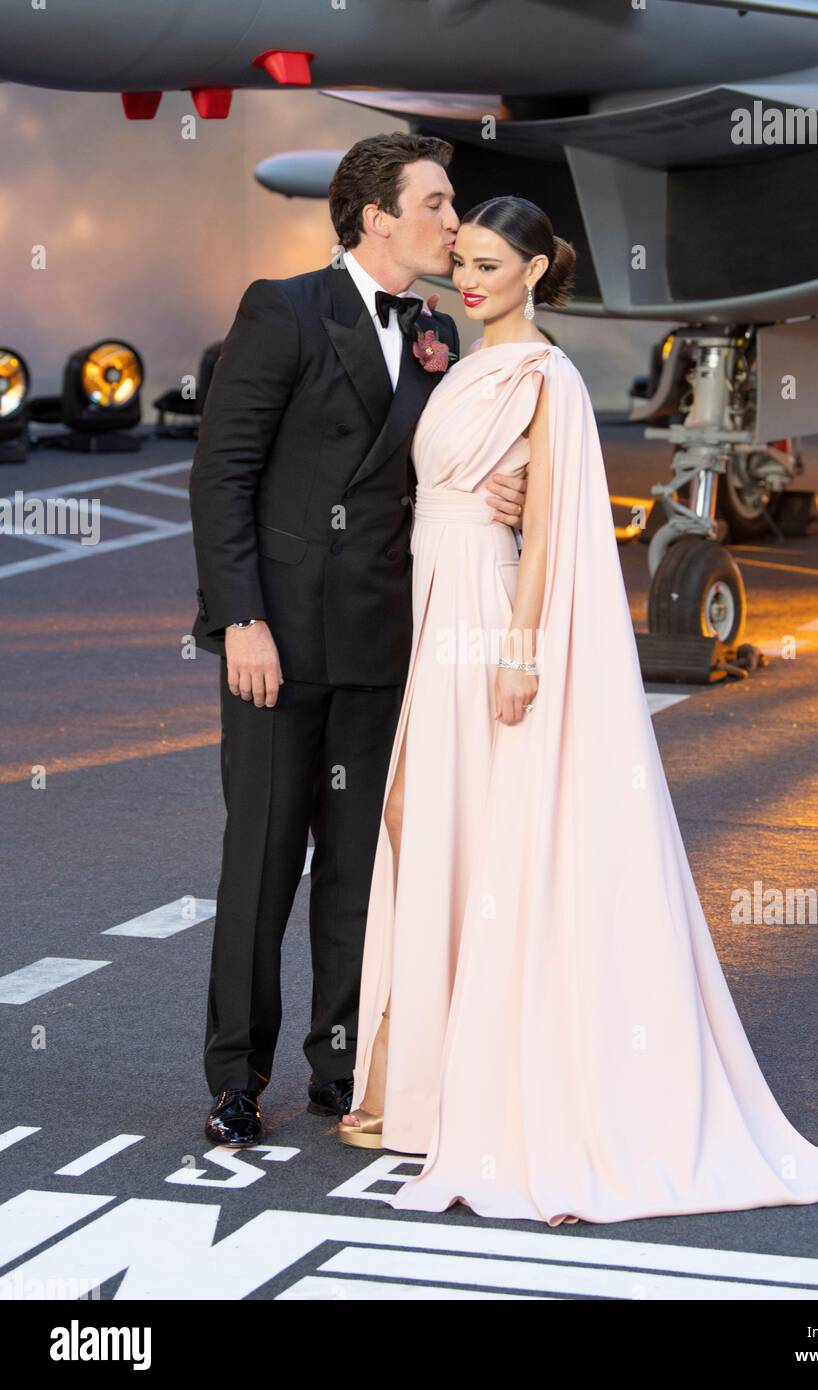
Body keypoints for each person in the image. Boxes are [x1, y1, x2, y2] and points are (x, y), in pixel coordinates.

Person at [338, 195, 818, 1226]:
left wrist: (521, 653)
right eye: (464, 260)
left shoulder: (545, 376)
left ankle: (473, 1081)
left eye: (491, 263)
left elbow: (544, 536)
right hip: (435, 601)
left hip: (486, 617)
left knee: (462, 829)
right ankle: (427, 1078)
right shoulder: (459, 360)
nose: (470, 276)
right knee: (424, 821)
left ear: (536, 271)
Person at [188, 133, 526, 1146]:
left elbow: (436, 468)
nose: (452, 224)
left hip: (386, 638)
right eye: (434, 204)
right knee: (260, 862)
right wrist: (238, 619)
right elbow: (223, 477)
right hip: (279, 643)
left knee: (358, 865)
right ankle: (235, 1073)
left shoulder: (435, 330)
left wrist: (495, 490)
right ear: (375, 217)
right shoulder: (281, 309)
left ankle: (342, 1066)